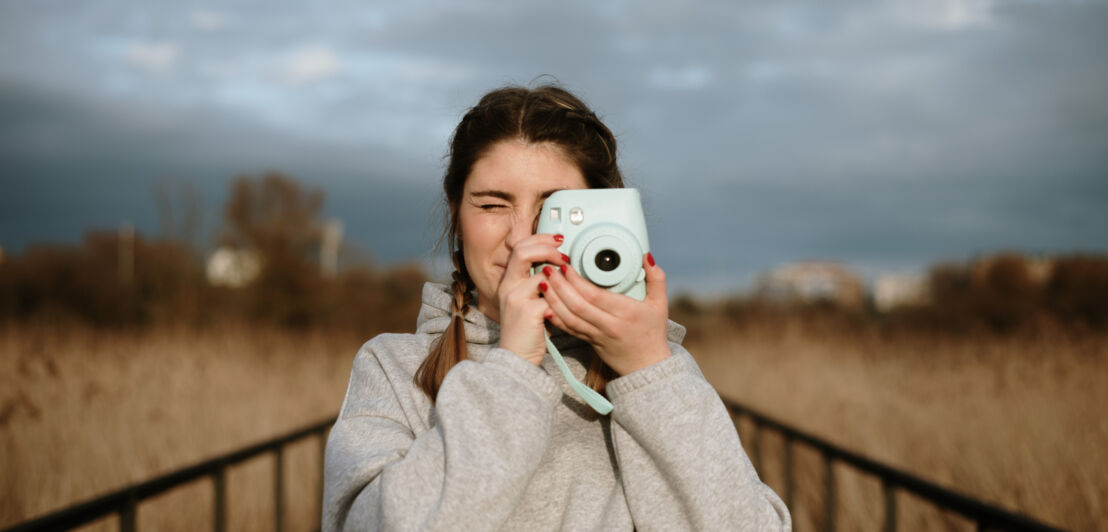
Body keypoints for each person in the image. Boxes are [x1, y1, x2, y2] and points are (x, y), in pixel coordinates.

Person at [322, 85, 790, 531]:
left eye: (555, 209)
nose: (522, 237)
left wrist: (648, 371)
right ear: (456, 217)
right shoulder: (393, 368)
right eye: (492, 205)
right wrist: (513, 370)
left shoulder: (649, 369)